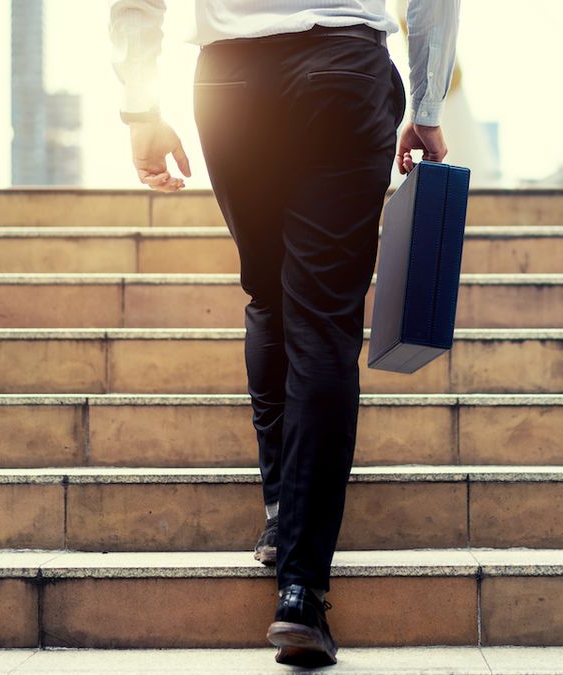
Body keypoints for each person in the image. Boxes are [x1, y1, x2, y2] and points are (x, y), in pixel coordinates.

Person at [108, 0, 460, 666]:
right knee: (325, 324)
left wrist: (141, 109)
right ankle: (300, 589)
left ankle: (281, 506)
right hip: (345, 72)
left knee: (269, 295)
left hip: (233, 82)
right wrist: (430, 105)